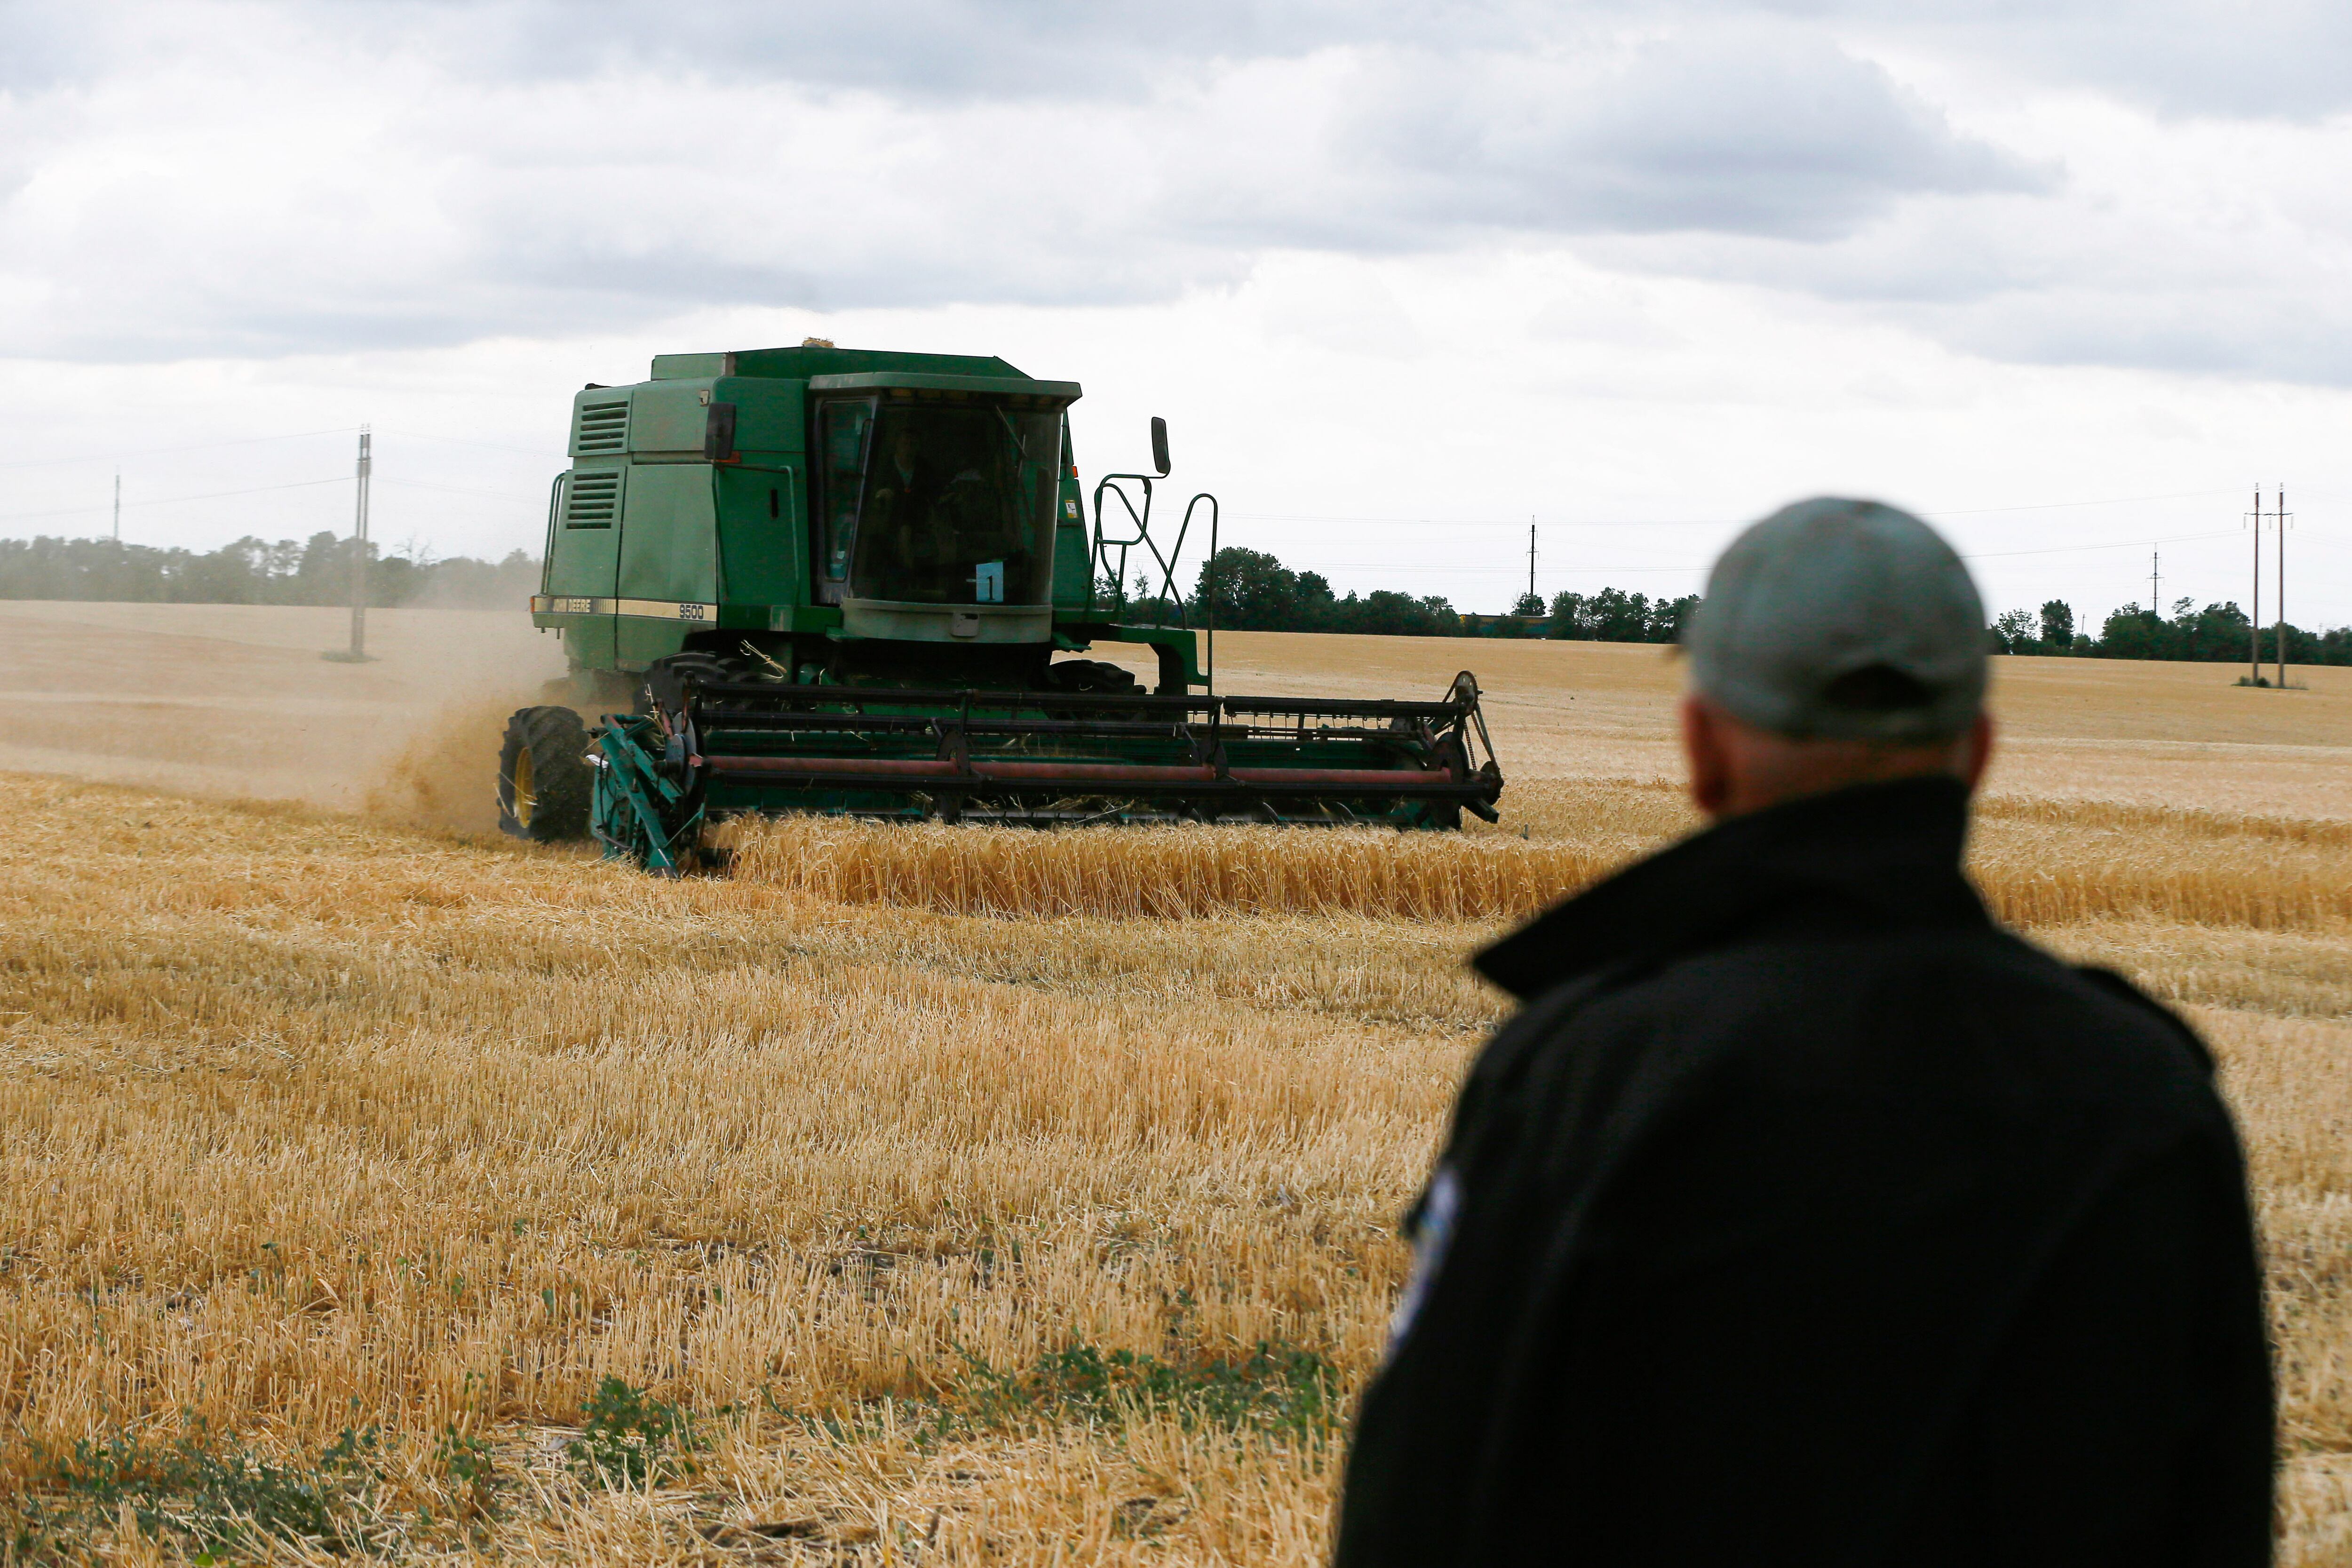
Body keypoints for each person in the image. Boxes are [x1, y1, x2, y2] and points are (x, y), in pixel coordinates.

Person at [1333, 498, 2273, 1567]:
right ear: (1976, 752)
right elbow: (2219, 1514)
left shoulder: (1578, 1078)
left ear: (1702, 748)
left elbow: (1415, 1514)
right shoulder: (2146, 1098)